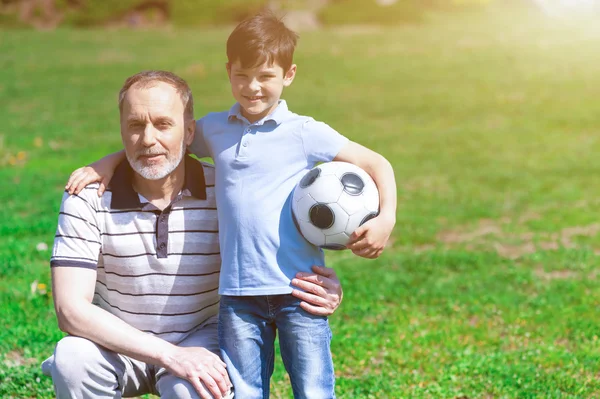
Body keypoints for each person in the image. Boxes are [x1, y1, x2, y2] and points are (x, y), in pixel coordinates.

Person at [66, 10, 397, 399]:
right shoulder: (213, 128)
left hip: (300, 291)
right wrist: (105, 163)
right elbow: (158, 142)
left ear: (289, 75)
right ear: (228, 72)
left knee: (313, 389)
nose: (253, 87)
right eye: (242, 75)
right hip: (238, 298)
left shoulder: (306, 133)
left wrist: (385, 218)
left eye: (266, 76)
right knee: (242, 391)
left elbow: (377, 163)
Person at [44, 70, 345, 399]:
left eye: (162, 124)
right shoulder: (86, 196)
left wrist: (319, 288)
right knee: (72, 359)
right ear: (122, 130)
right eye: (135, 125)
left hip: (200, 342)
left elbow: (275, 251)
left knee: (196, 389)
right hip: (116, 344)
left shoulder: (228, 193)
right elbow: (70, 310)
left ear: (189, 132)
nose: (147, 139)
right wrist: (168, 354)